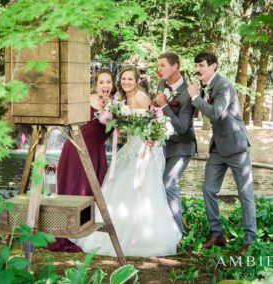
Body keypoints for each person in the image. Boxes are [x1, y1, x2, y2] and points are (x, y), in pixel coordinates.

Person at [73, 65, 181, 257]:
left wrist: (152, 138)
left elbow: (155, 122)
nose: (126, 82)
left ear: (137, 80)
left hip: (145, 149)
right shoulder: (121, 100)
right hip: (130, 148)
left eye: (130, 79)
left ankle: (143, 237)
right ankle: (114, 232)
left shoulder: (142, 97)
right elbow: (125, 127)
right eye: (123, 79)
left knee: (142, 191)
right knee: (118, 185)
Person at [187, 50, 257, 256]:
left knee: (245, 194)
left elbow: (216, 113)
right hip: (218, 149)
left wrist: (194, 97)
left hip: (237, 147)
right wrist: (197, 95)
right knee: (208, 189)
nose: (197, 69)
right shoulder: (207, 86)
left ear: (213, 66)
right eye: (196, 65)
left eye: (201, 65)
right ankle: (217, 234)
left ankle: (249, 240)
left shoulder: (224, 85)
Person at [48, 69, 115, 252]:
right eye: (101, 82)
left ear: (113, 85)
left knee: (91, 193)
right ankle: (63, 232)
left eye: (108, 82)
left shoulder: (115, 106)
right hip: (76, 150)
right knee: (72, 189)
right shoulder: (86, 99)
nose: (105, 86)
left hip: (97, 154)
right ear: (96, 85)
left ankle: (82, 232)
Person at [155, 52, 196, 233]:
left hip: (182, 145)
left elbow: (182, 127)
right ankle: (162, 229)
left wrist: (164, 106)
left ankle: (177, 233)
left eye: (163, 65)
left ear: (176, 66)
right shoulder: (161, 84)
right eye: (159, 66)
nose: (159, 69)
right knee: (155, 183)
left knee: (169, 183)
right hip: (162, 144)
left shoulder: (189, 92)